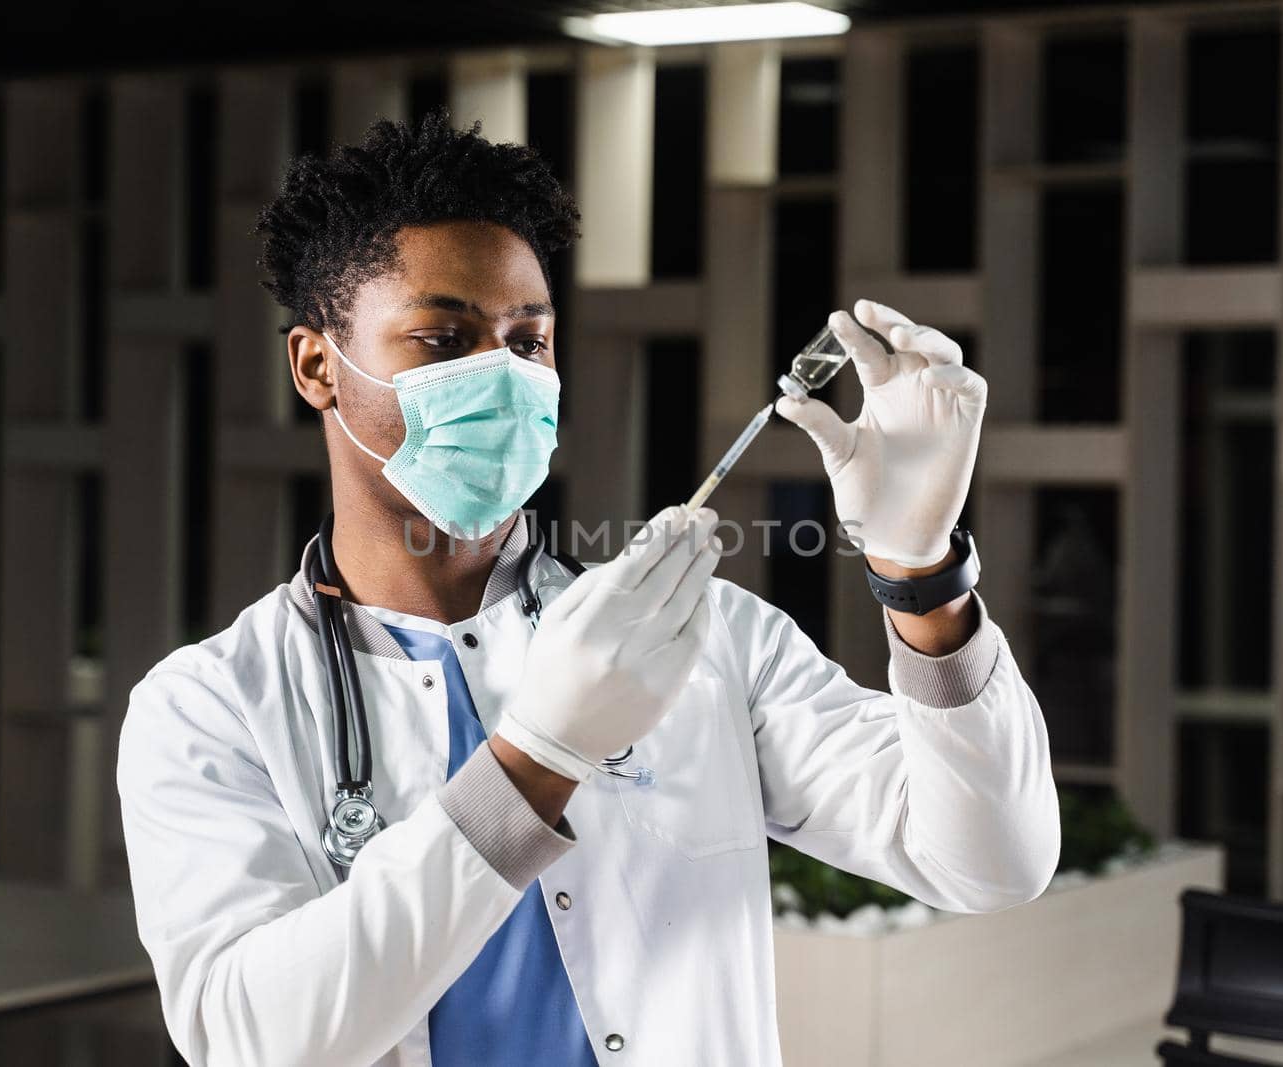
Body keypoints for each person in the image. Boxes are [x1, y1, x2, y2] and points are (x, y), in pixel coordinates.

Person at [116, 111, 1059, 1067]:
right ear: (318, 365)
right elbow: (250, 1040)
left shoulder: (705, 640)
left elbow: (991, 861)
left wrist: (923, 572)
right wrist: (536, 757)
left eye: (528, 341)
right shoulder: (209, 707)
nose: (502, 376)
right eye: (442, 340)